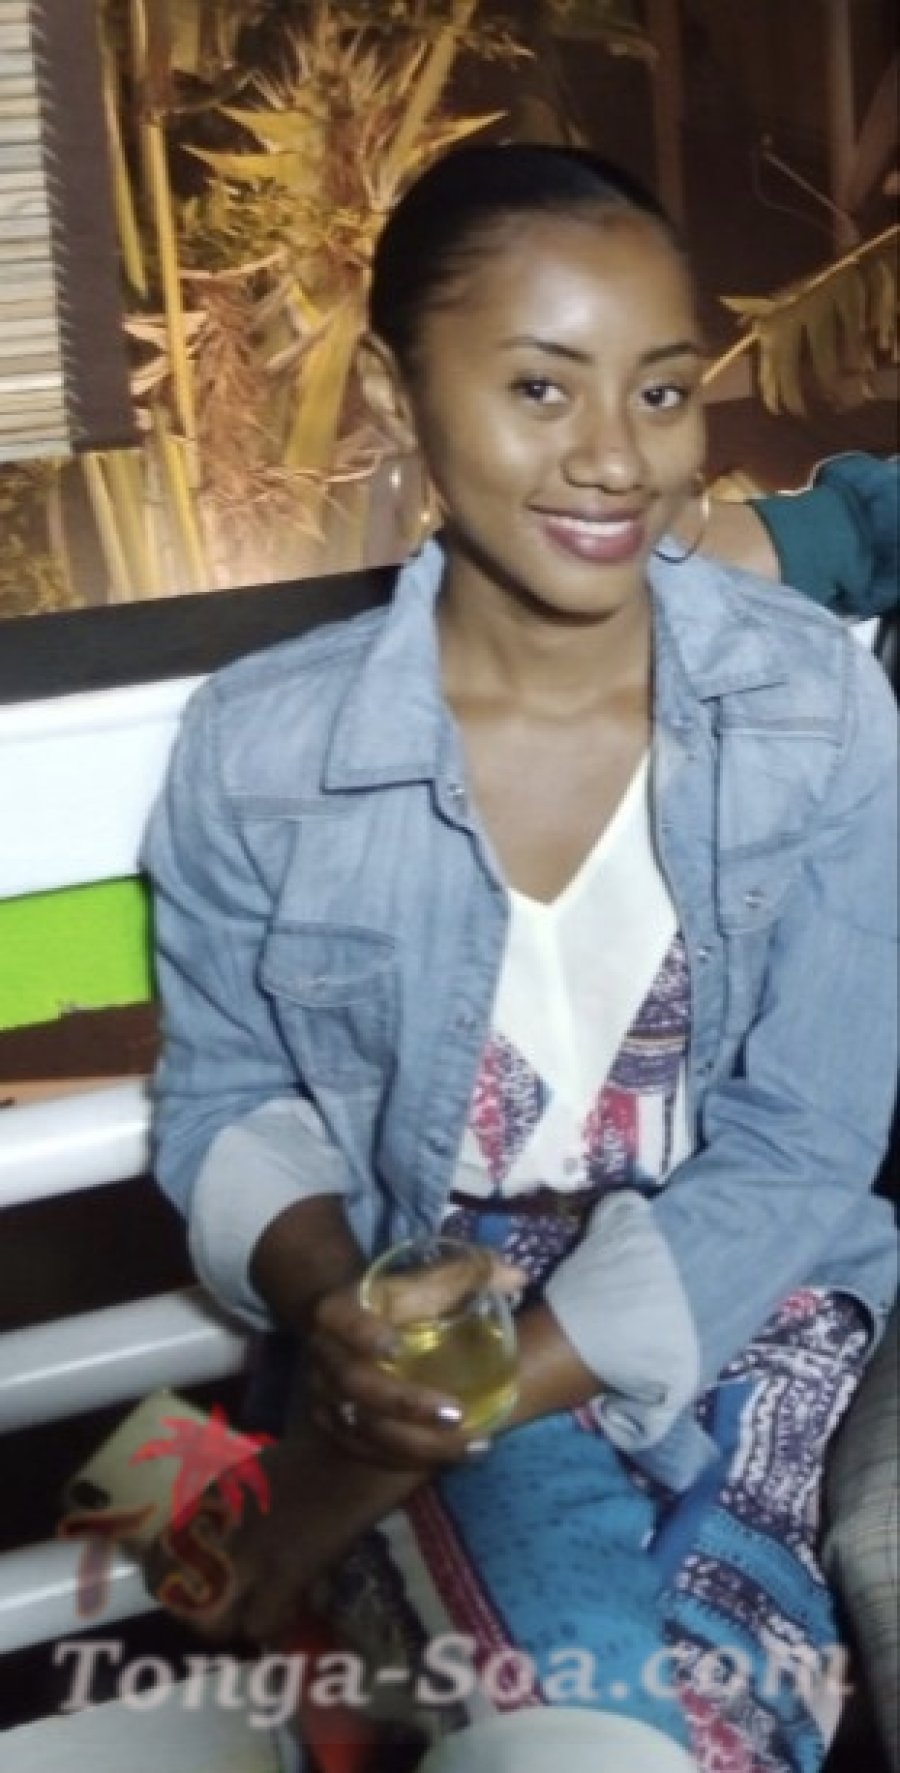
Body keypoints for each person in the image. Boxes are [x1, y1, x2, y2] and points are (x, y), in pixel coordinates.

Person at [145, 144, 898, 1773]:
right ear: (396, 393)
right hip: (418, 1313)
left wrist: (416, 1427)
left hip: (744, 1305)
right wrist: (349, 1317)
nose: (618, 457)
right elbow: (226, 1100)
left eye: (663, 391)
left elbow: (808, 1140)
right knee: (594, 1725)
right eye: (541, 389)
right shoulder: (262, 750)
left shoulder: (812, 706)